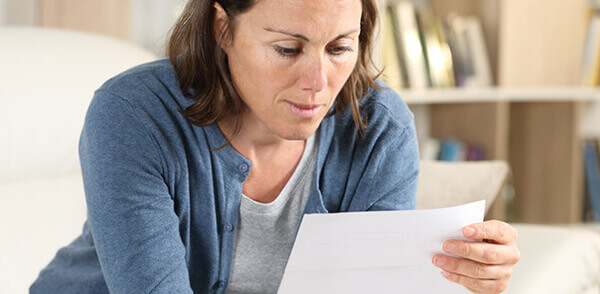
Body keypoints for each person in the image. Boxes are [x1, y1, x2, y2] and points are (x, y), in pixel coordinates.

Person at [31, 0, 520, 293]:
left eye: (339, 48)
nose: (317, 82)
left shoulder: (377, 126)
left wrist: (458, 276)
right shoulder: (133, 114)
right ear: (222, 27)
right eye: (288, 49)